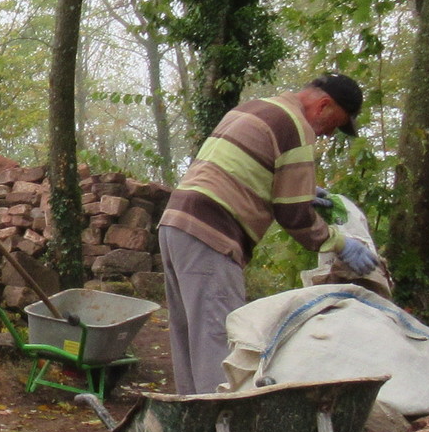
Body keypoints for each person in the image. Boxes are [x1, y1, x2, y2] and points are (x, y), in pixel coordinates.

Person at [157, 74, 373, 395]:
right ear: (324, 105)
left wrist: (302, 188)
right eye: (333, 125)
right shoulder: (296, 127)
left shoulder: (255, 108)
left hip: (176, 223)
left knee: (190, 336)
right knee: (220, 342)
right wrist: (340, 243)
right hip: (212, 232)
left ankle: (191, 417)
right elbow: (293, 215)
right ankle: (222, 421)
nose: (328, 134)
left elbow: (238, 169)